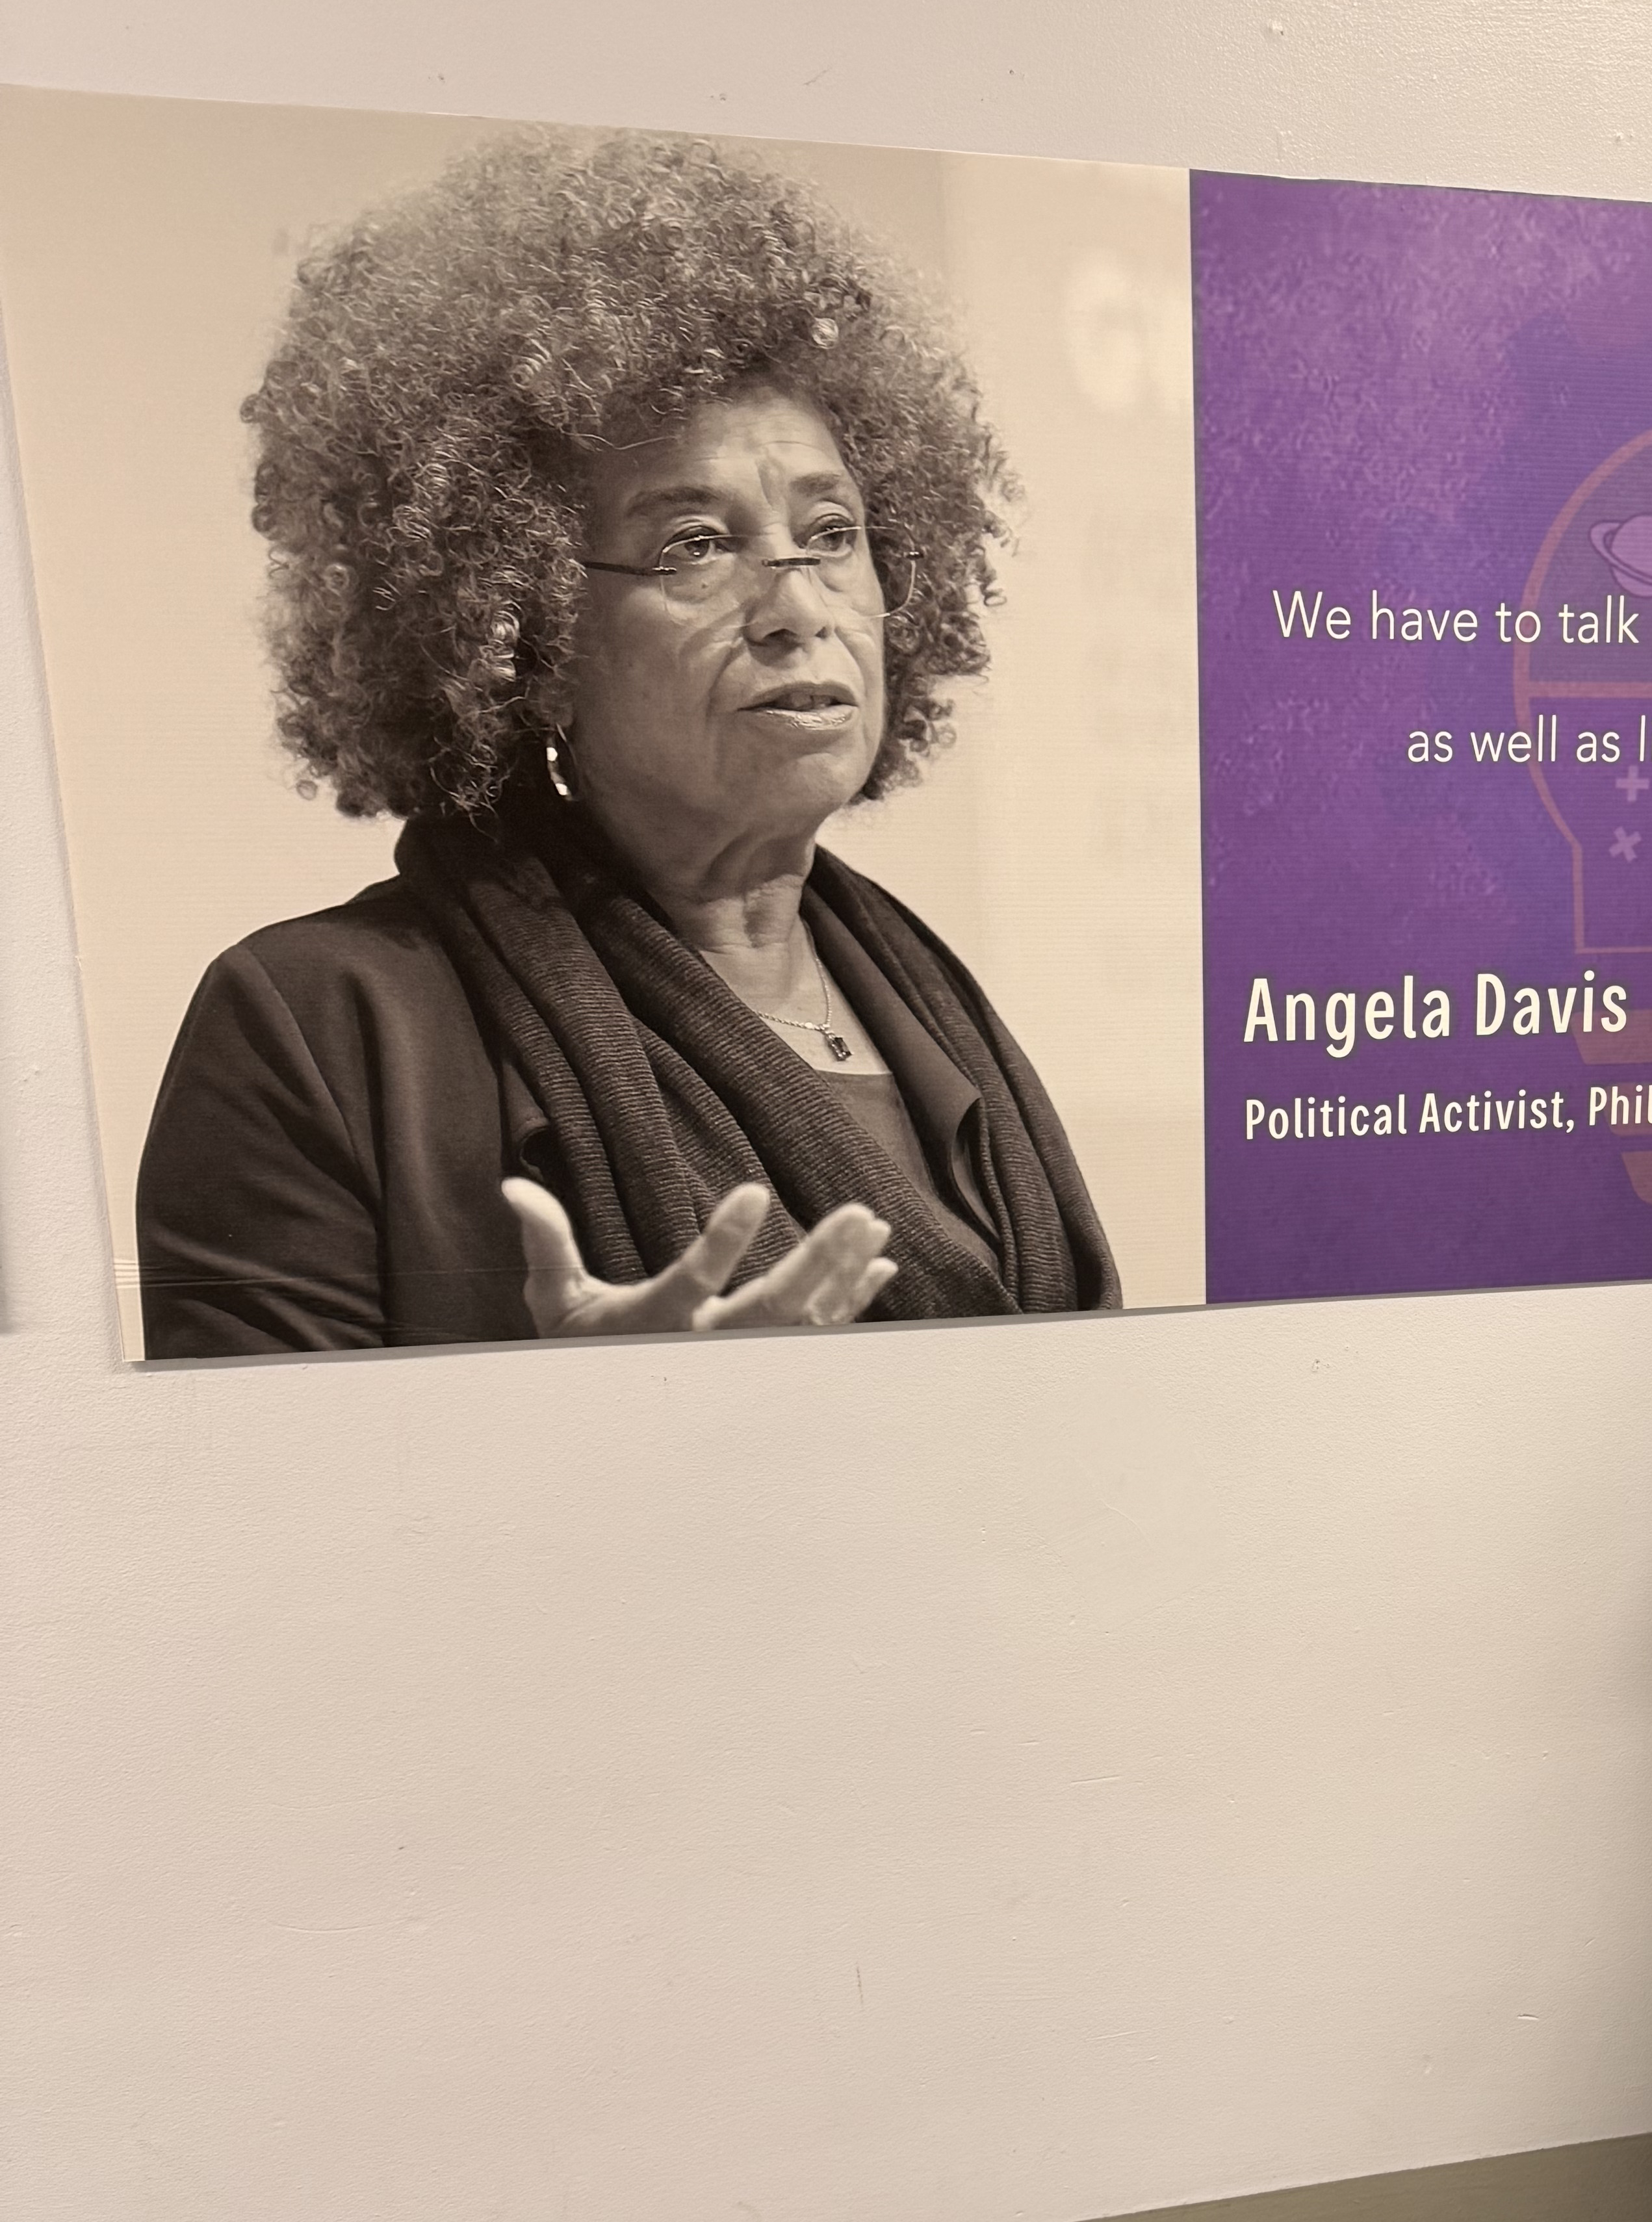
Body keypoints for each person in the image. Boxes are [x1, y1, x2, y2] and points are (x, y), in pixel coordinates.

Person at [136, 128, 1117, 1354]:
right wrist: (595, 1437)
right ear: (520, 628)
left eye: (832, 533)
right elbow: (242, 1521)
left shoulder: (930, 999)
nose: (799, 606)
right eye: (694, 545)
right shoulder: (321, 1030)